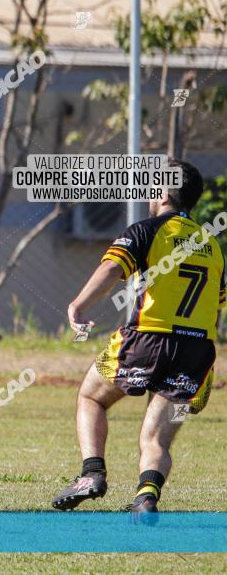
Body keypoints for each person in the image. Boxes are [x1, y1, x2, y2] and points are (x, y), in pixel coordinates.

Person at [52, 159, 224, 518]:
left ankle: (92, 474)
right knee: (156, 438)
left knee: (90, 397)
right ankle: (146, 498)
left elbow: (113, 268)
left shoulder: (148, 230)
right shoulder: (213, 246)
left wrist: (78, 305)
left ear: (162, 192)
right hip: (196, 351)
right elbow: (217, 304)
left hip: (148, 339)